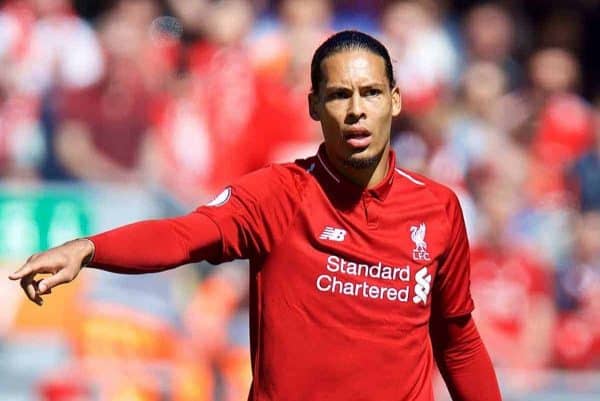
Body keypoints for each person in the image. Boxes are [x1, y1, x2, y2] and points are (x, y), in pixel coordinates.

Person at [9, 30, 502, 401]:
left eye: (371, 93)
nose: (356, 110)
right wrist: (90, 249)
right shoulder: (279, 194)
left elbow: (457, 341)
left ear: (394, 101)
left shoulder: (438, 209)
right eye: (338, 95)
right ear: (314, 105)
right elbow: (185, 234)